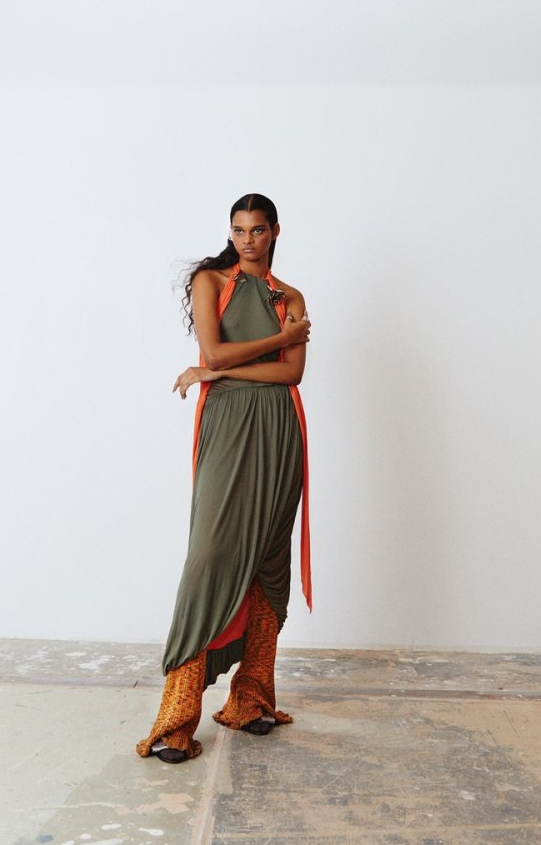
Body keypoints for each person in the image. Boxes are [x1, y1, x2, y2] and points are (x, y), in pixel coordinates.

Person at [136, 193, 312, 764]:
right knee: (210, 555)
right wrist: (277, 341)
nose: (247, 240)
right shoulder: (211, 281)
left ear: (275, 231)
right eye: (238, 230)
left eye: (257, 230)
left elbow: (292, 375)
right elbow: (214, 349)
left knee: (268, 558)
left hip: (279, 430)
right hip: (228, 424)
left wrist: (217, 369)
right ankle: (176, 719)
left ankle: (251, 700)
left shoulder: (292, 296)